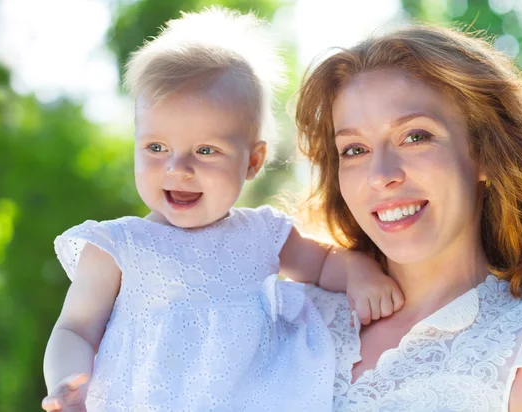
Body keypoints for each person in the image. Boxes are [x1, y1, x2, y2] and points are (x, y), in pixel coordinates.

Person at [41, 8, 403, 412]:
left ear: (252, 162)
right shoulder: (118, 247)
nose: (178, 168)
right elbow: (75, 328)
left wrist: (360, 273)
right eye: (156, 148)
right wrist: (67, 385)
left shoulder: (262, 234)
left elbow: (322, 265)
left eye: (205, 150)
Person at [296, 24, 522, 411]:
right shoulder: (293, 312)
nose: (380, 176)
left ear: (485, 154)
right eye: (355, 149)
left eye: (415, 136)